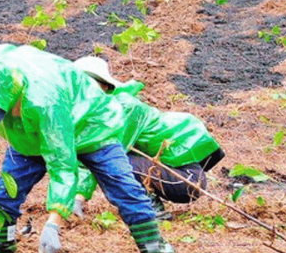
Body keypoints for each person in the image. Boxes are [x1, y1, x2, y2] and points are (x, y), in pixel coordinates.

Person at [0, 42, 181, 253]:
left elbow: (63, 168)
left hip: (92, 128)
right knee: (3, 201)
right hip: (28, 138)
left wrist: (54, 223)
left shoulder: (45, 102)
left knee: (129, 194)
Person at [69, 56, 224, 206]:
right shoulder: (99, 114)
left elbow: (102, 155)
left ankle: (148, 208)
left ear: (106, 86)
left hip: (185, 180)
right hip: (170, 174)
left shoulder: (124, 108)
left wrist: (78, 198)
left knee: (110, 161)